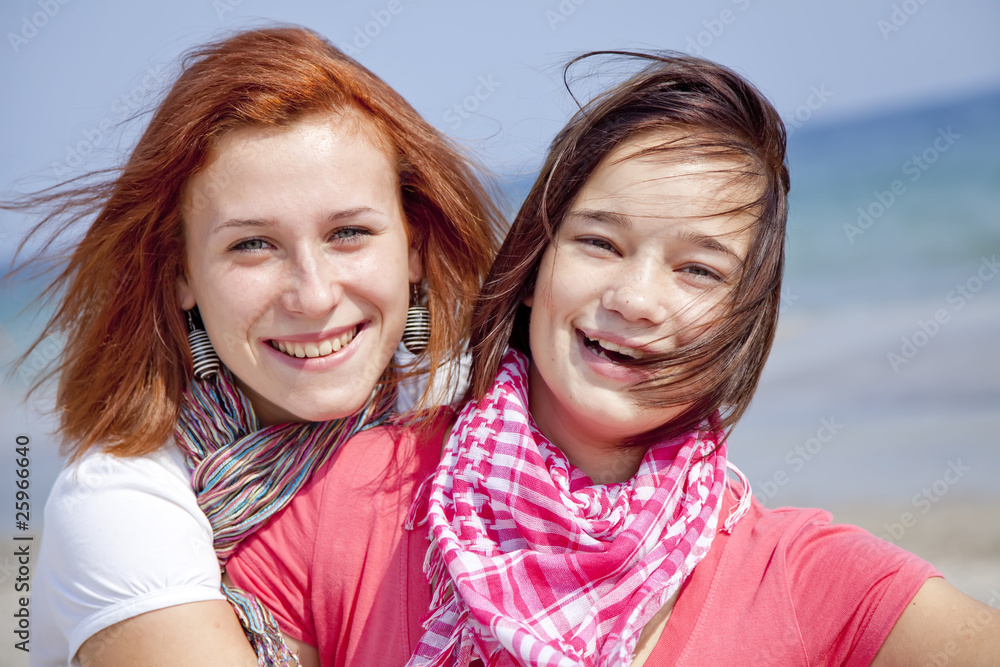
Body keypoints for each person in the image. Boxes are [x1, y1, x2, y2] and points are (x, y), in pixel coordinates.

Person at [228, 51, 1000, 666]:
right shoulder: (349, 501)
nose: (635, 297)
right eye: (600, 242)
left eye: (698, 269)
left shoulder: (809, 578)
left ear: (741, 321)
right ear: (535, 267)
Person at [12, 26, 500, 667]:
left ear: (412, 247)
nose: (313, 294)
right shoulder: (119, 504)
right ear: (183, 273)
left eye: (348, 232)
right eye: (252, 245)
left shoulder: (477, 420)